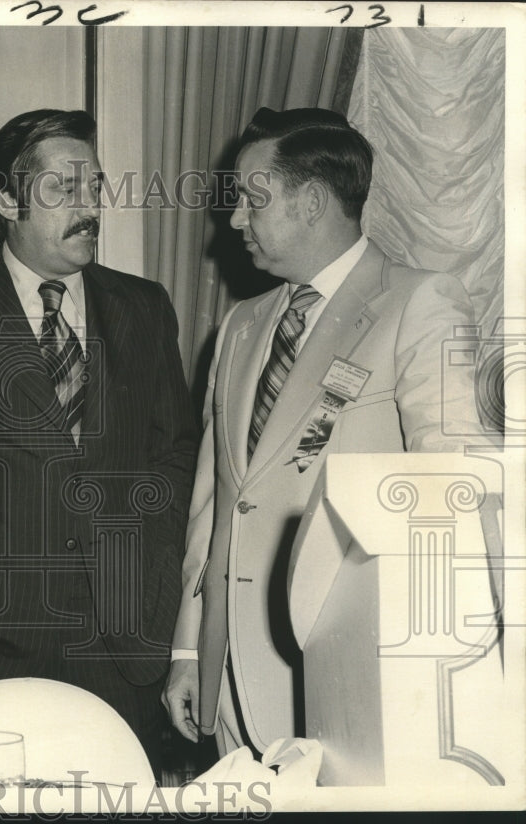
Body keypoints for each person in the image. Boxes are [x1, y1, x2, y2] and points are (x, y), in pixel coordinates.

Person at [163, 107, 488, 756]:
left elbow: (451, 494)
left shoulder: (419, 303)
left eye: (252, 201)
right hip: (230, 689)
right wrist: (189, 647)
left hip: (350, 682)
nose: (233, 222)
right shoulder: (240, 326)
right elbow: (215, 508)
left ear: (311, 201)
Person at [0, 108, 197, 772]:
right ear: (5, 198)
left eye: (95, 187)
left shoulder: (145, 307)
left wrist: (158, 577)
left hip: (126, 640)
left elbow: (175, 456)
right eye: (63, 189)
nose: (89, 208)